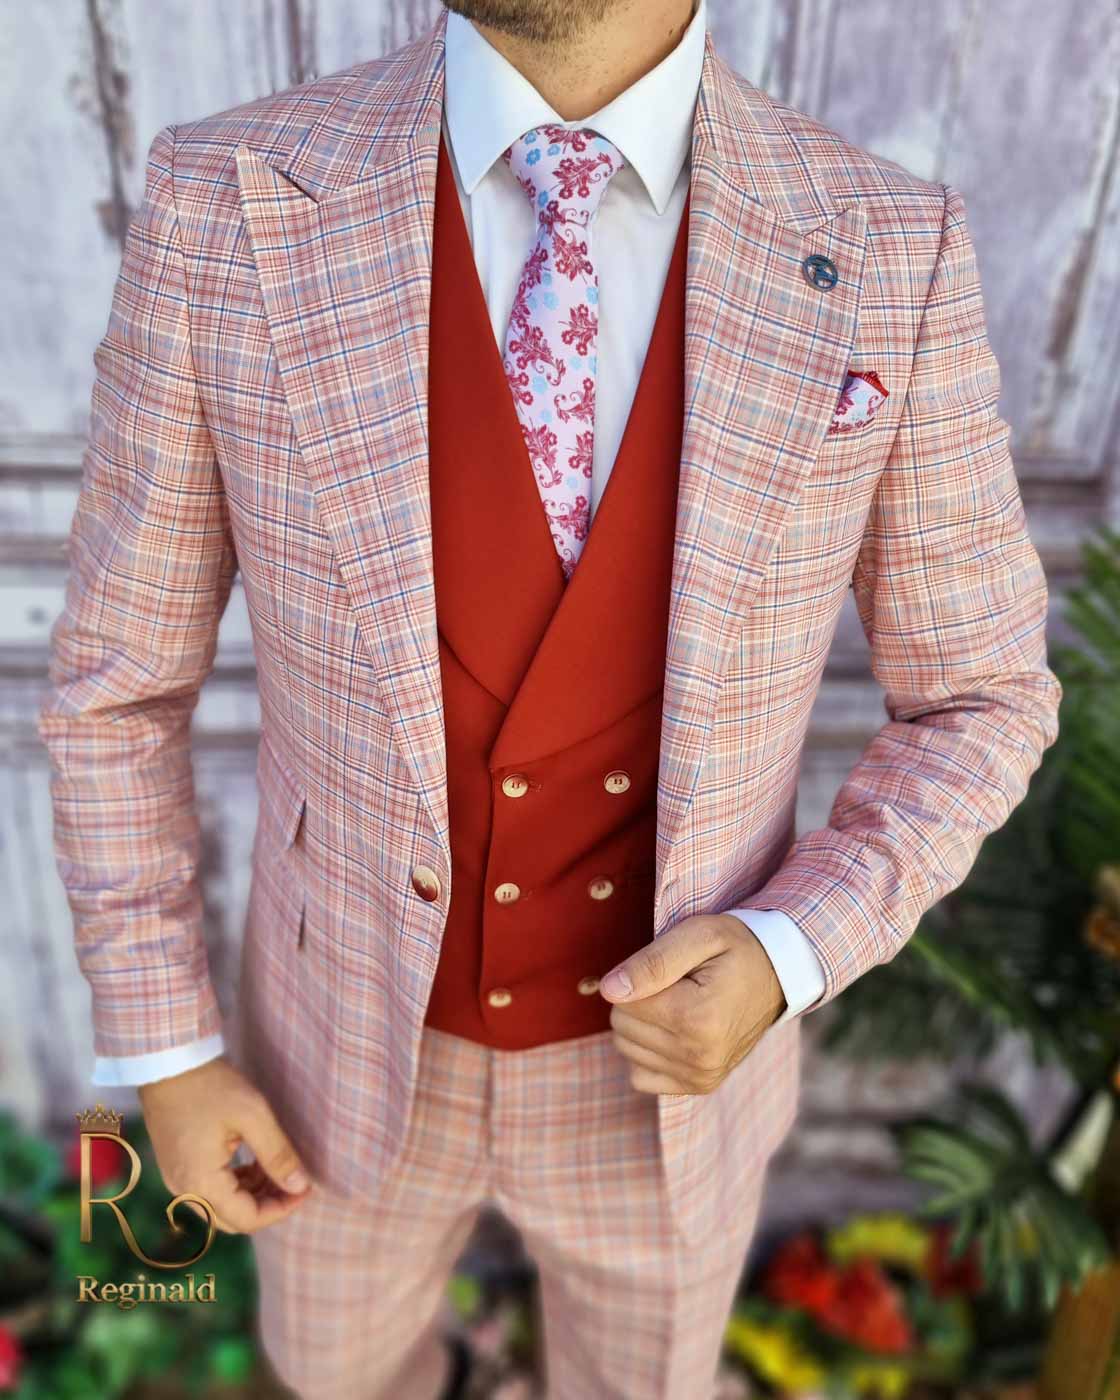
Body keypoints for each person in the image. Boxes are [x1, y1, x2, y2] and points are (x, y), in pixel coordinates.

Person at [37, 0, 1062, 1396]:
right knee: (330, 1380)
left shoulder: (891, 248)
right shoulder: (228, 198)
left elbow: (982, 695)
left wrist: (794, 947)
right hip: (331, 1050)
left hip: (673, 1082)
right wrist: (166, 1045)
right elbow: (117, 685)